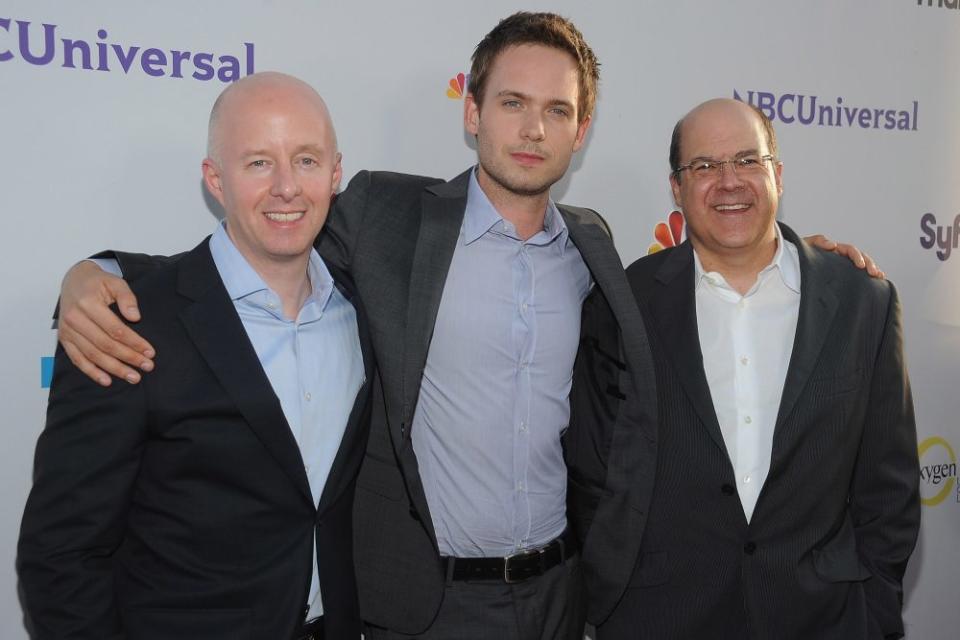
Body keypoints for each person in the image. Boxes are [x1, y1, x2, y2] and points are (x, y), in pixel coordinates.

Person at [51, 14, 881, 640]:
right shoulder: (384, 216)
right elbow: (260, 232)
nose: (532, 128)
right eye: (512, 103)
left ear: (581, 131)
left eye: (557, 111)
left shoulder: (595, 248)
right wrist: (96, 276)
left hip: (562, 597)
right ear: (471, 111)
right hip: (423, 605)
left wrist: (818, 262)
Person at [18, 72, 374, 639]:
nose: (287, 187)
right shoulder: (127, 323)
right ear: (215, 179)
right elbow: (61, 553)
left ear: (335, 174)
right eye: (258, 162)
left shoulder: (363, 310)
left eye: (306, 160)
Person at [568, 98, 920, 640]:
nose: (729, 181)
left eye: (748, 161)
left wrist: (873, 611)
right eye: (704, 166)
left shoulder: (861, 301)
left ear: (777, 174)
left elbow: (888, 490)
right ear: (677, 188)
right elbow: (593, 471)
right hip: (661, 618)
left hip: (825, 619)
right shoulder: (625, 303)